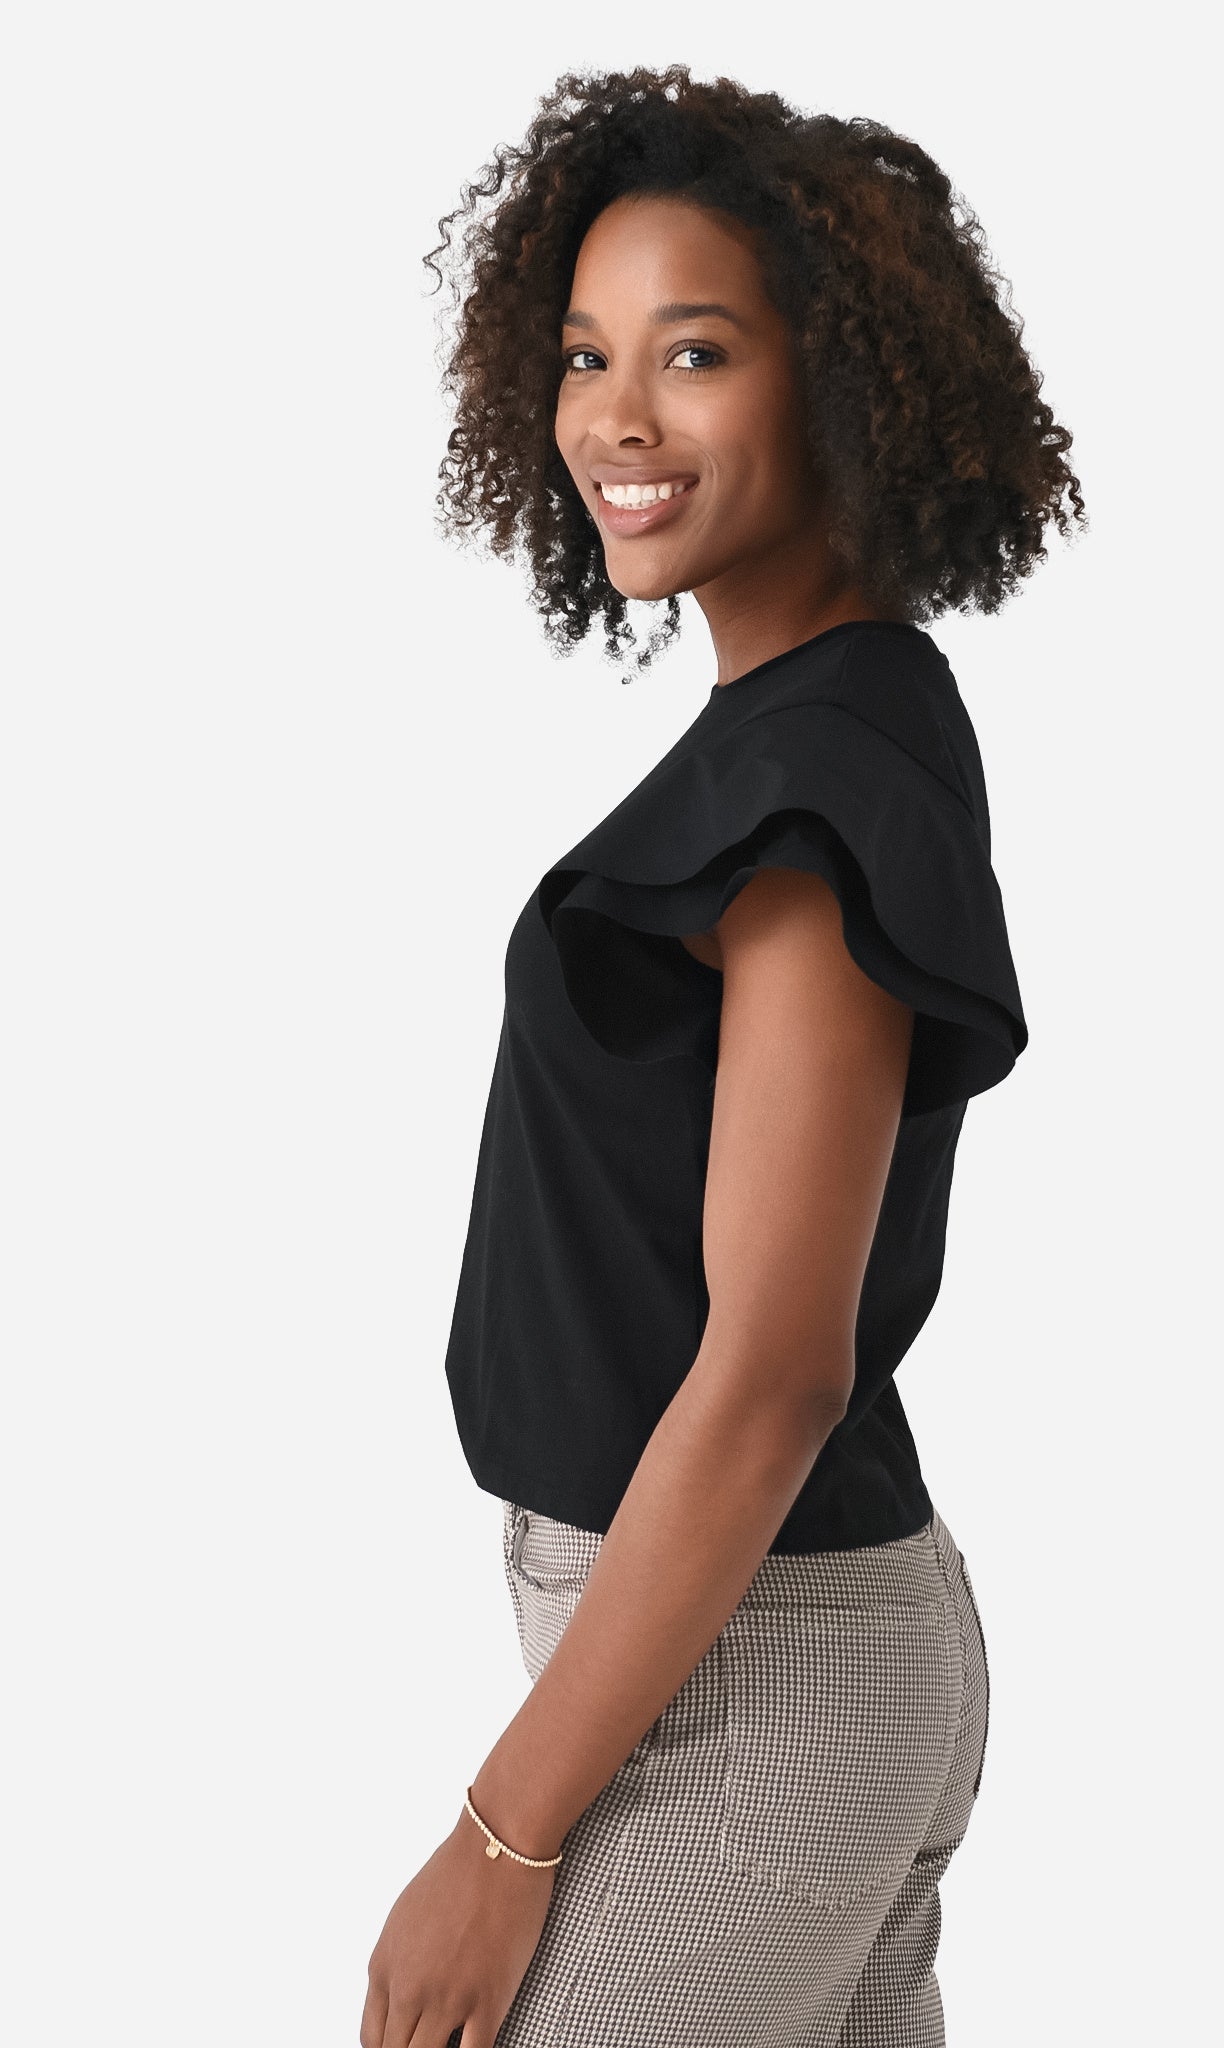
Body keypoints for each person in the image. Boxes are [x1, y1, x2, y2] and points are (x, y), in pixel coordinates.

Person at [361, 63, 1085, 2048]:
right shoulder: (825, 725)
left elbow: (774, 1370)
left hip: (753, 1680)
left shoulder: (812, 785)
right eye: (586, 355)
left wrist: (498, 1838)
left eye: (695, 353)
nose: (617, 416)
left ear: (836, 383)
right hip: (774, 1646)